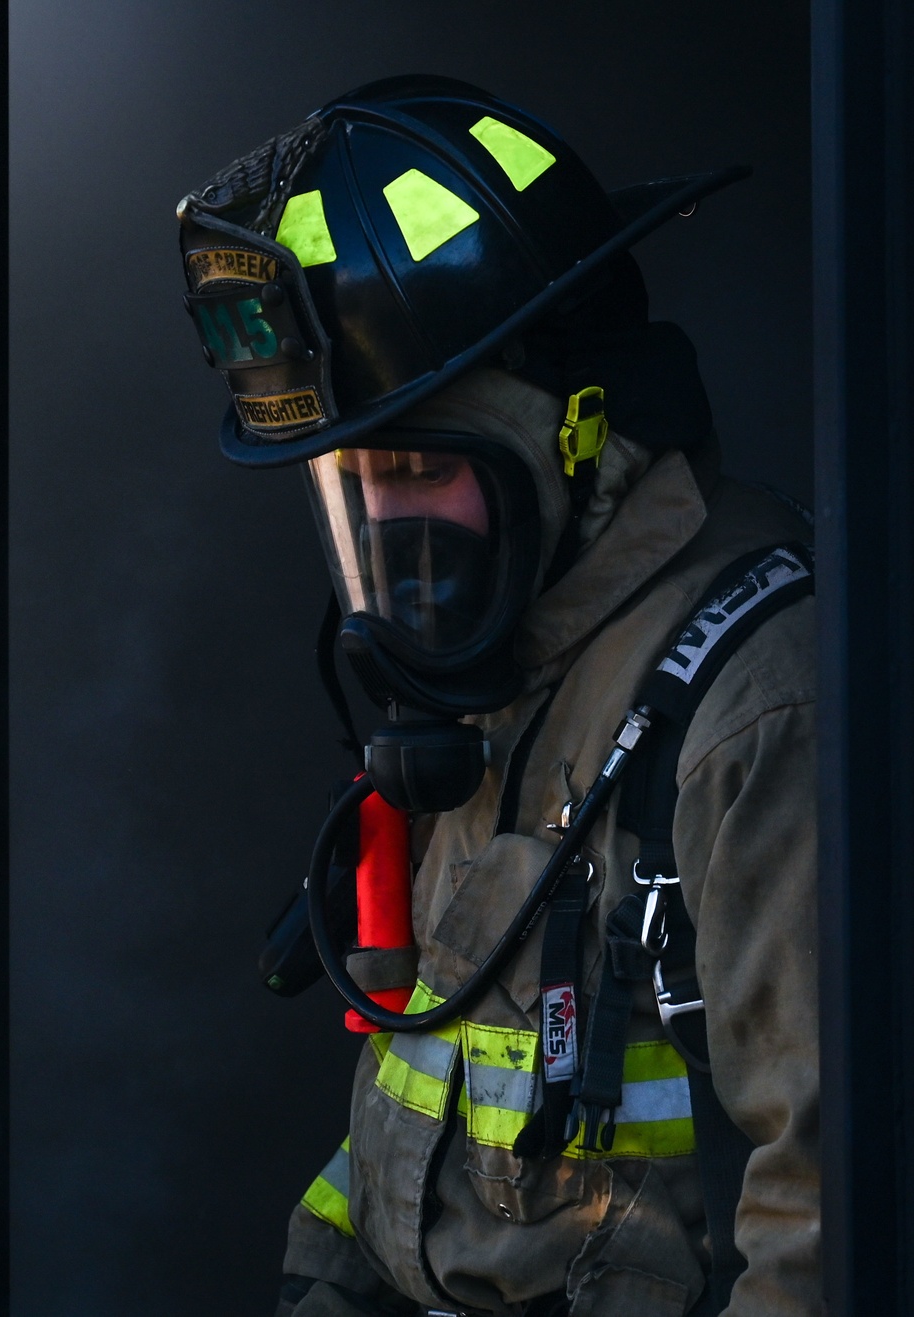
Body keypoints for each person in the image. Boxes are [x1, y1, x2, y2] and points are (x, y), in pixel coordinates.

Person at [177, 76, 818, 1317]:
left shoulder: (754, 713)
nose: (389, 535)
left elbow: (825, 1230)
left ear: (577, 430)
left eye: (419, 467)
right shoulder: (498, 678)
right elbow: (410, 1147)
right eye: (352, 486)